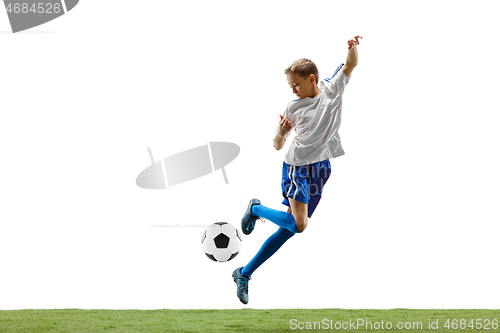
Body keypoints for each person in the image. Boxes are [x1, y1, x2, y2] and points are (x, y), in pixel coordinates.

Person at [232, 36, 363, 304]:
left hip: (321, 168)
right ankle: (255, 209)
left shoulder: (332, 89)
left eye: (296, 85)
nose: (293, 90)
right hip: (297, 168)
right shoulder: (293, 107)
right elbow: (277, 146)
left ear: (312, 79)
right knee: (299, 225)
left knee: (289, 229)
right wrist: (281, 133)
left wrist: (352, 47)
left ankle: (243, 273)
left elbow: (350, 65)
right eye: (290, 86)